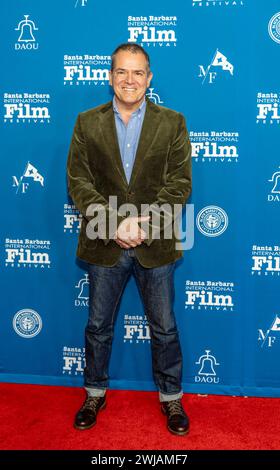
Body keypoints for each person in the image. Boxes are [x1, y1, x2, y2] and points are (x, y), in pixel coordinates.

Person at [67, 43, 192, 436]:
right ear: (110, 77)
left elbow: (179, 185)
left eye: (138, 73)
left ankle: (171, 399)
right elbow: (78, 183)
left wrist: (142, 225)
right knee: (98, 326)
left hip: (155, 245)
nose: (130, 80)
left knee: (165, 328)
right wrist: (116, 223)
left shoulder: (172, 122)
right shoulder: (87, 122)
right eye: (122, 72)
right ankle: (94, 392)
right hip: (104, 243)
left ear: (149, 78)